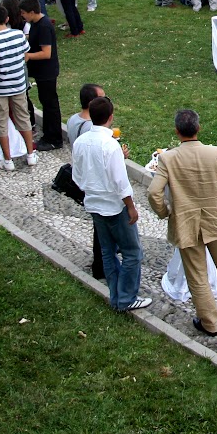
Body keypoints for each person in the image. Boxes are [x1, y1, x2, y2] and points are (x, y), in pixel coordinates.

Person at [147, 108, 217, 337]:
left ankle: (209, 322)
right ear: (198, 128)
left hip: (186, 221)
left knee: (197, 275)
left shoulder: (168, 158)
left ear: (176, 131)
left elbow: (154, 192)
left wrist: (165, 212)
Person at [73, 95, 151, 312]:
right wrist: (131, 206)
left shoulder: (80, 142)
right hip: (115, 207)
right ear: (110, 117)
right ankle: (126, 298)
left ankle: (116, 295)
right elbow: (120, 181)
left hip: (94, 204)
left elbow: (77, 176)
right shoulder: (110, 145)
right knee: (132, 252)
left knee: (108, 252)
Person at [0, 4, 37, 172]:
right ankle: (30, 154)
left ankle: (8, 159)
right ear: (7, 19)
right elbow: (25, 55)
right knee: (23, 118)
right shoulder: (19, 35)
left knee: (1, 122)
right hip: (19, 85)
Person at [21, 0, 63, 150]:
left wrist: (29, 56)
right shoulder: (36, 24)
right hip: (42, 72)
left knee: (50, 104)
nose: (22, 16)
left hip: (47, 72)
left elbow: (46, 53)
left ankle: (54, 138)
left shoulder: (44, 26)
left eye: (24, 13)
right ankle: (48, 134)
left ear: (32, 12)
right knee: (46, 102)